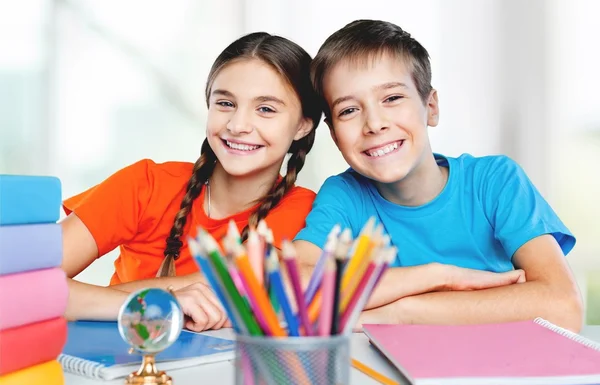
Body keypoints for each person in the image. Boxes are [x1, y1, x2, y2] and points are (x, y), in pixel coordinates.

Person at [294, 19, 583, 332]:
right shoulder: (344, 195)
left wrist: (402, 312)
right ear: (335, 135)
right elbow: (293, 289)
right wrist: (439, 276)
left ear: (430, 107)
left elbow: (563, 306)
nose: (374, 124)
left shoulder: (494, 181)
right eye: (348, 110)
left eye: (392, 98)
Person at [61, 32, 322, 332]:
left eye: (266, 109)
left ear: (303, 125)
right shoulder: (146, 185)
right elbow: (17, 285)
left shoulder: (308, 217)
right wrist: (166, 300)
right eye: (225, 103)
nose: (237, 125)